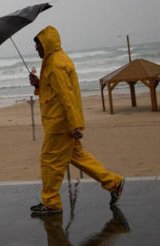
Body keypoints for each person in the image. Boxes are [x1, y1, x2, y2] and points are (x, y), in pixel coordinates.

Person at [28, 26, 125, 216]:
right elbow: (55, 92)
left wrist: (74, 126)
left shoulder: (55, 64)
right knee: (77, 156)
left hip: (59, 124)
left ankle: (51, 201)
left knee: (49, 161)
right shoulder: (55, 60)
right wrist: (38, 84)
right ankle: (113, 183)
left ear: (46, 44)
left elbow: (66, 96)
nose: (36, 49)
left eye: (38, 45)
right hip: (62, 122)